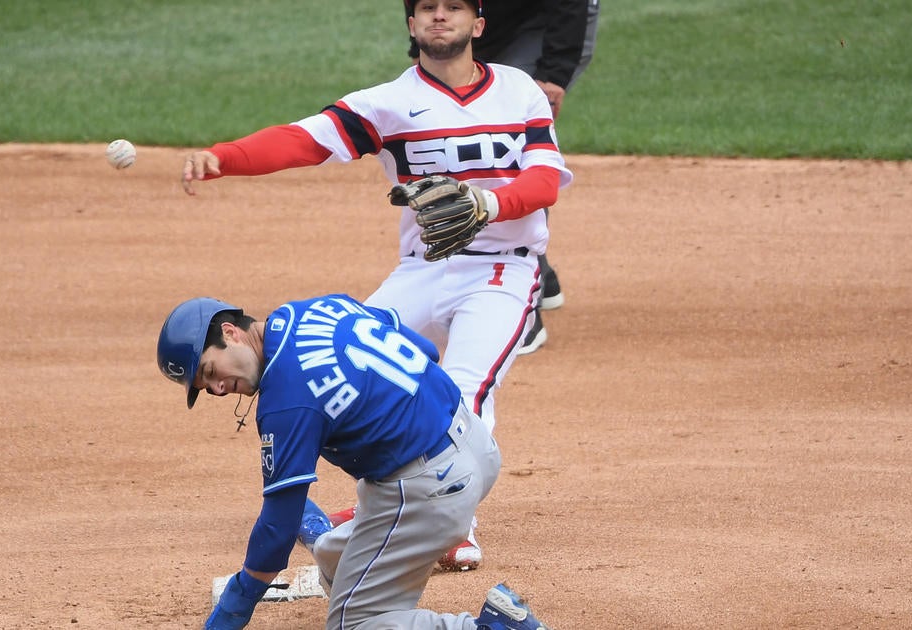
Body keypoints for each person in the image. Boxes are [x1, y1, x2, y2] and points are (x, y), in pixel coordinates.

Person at [180, 0, 573, 572]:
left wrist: (490, 202)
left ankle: (453, 526)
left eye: (455, 7)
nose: (441, 16)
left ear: (478, 24)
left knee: (462, 391)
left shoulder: (519, 92)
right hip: (423, 266)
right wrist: (224, 157)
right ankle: (384, 504)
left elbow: (543, 181)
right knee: (350, 362)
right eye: (428, 8)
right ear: (411, 26)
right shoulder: (388, 103)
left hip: (501, 270)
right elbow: (303, 140)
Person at [156, 294, 552, 629]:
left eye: (210, 371)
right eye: (206, 388)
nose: (219, 388)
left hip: (427, 490)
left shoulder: (285, 399)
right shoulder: (319, 307)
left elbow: (276, 531)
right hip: (476, 446)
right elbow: (426, 351)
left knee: (355, 623)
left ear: (230, 332)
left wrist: (233, 608)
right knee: (333, 558)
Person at [438, 0, 602, 314]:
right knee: (457, 123)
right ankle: (544, 276)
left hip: (548, 17)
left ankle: (523, 302)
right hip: (483, 16)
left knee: (504, 141)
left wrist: (555, 70)